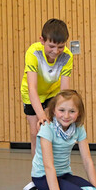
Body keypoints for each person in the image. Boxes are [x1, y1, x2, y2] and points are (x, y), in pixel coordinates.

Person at [23, 90, 96, 190]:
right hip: (43, 177)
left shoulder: (78, 129)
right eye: (61, 110)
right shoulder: (47, 129)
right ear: (53, 111)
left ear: (78, 114)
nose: (66, 116)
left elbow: (87, 161)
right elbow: (48, 166)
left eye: (72, 111)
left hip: (64, 175)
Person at [20, 18, 73, 157]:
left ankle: (53, 166)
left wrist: (65, 110)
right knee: (35, 132)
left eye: (60, 47)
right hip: (31, 92)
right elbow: (32, 88)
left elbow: (65, 90)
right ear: (42, 40)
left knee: (51, 130)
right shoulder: (33, 52)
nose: (56, 51)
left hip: (52, 93)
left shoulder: (67, 56)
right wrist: (42, 116)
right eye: (51, 46)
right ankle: (37, 172)